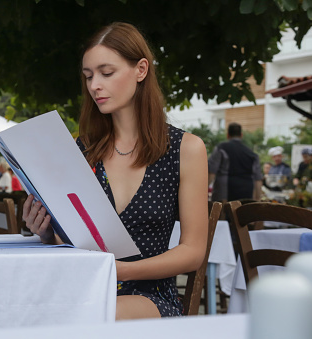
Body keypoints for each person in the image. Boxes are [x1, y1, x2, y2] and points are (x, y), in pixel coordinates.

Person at [22, 22, 208, 319]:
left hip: (150, 296)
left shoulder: (186, 149)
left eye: (106, 73)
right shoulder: (81, 150)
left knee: (85, 318)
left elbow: (193, 251)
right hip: (84, 290)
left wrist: (121, 270)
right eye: (88, 76)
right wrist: (47, 233)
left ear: (141, 70)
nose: (95, 85)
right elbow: (76, 242)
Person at [208, 123, 262, 202]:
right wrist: (257, 199)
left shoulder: (221, 148)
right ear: (241, 135)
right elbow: (258, 179)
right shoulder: (251, 153)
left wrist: (202, 192)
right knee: (241, 213)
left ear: (228, 135)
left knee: (224, 213)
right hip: (246, 193)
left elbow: (211, 172)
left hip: (224, 193)